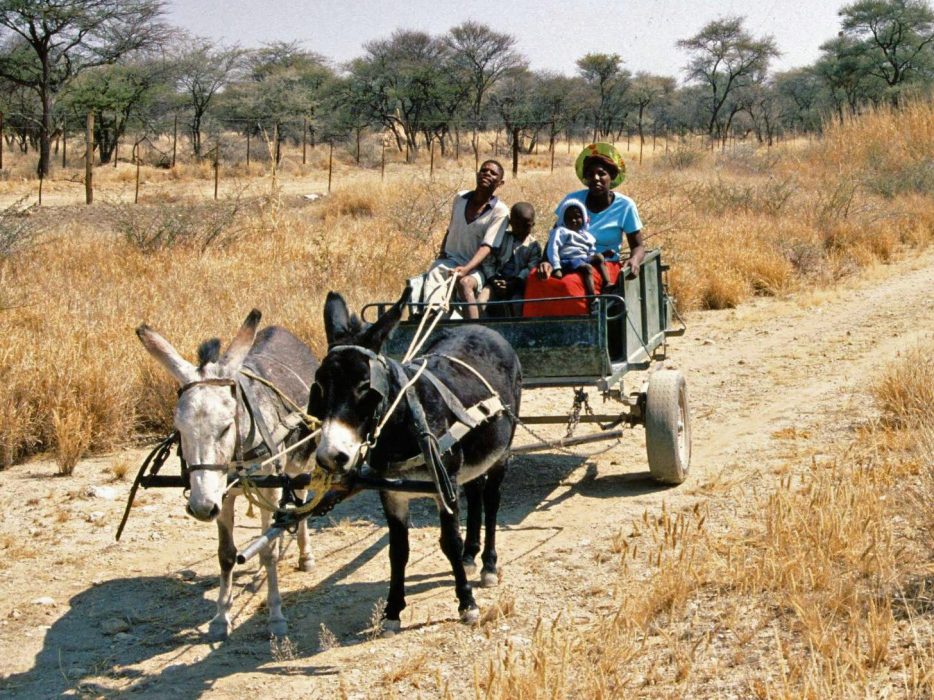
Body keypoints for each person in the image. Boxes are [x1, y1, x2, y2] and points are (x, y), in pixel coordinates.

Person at [538, 142, 645, 284]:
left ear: (611, 176)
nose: (595, 178)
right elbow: (556, 235)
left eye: (601, 174)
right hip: (567, 260)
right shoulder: (573, 200)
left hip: (604, 264)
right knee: (536, 279)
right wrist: (546, 261)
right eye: (590, 174)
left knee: (571, 284)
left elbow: (638, 246)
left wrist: (634, 260)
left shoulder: (625, 206)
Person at [424, 160, 509, 320]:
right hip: (451, 261)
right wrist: (442, 253)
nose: (487, 174)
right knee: (436, 270)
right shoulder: (460, 198)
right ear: (478, 174)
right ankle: (434, 317)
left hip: (478, 267)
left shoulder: (500, 211)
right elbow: (451, 229)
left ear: (500, 183)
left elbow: (487, 247)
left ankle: (474, 330)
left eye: (493, 173)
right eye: (484, 171)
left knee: (465, 284)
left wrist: (466, 269)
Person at [543, 198, 610, 307]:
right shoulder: (561, 231)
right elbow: (553, 248)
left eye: (577, 217)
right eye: (569, 218)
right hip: (567, 260)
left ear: (584, 218)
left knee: (599, 257)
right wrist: (556, 267)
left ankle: (607, 283)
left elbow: (590, 251)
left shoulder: (587, 236)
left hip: (583, 258)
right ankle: (592, 299)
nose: (573, 220)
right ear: (563, 219)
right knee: (587, 268)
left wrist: (599, 256)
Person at [479, 201, 541, 317]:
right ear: (510, 222)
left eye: (526, 225)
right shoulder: (501, 238)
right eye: (517, 225)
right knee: (481, 301)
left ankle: (516, 332)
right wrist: (493, 279)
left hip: (517, 285)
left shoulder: (534, 246)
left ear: (533, 225)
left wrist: (514, 283)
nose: (521, 229)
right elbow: (488, 261)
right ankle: (483, 328)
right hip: (495, 281)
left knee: (517, 304)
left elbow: (531, 268)